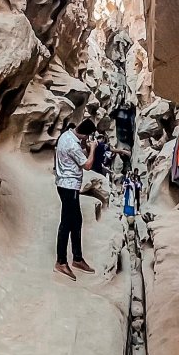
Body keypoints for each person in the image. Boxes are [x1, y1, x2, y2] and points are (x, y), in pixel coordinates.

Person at [54, 118, 97, 279]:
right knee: (66, 223)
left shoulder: (66, 135)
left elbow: (79, 156)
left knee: (76, 220)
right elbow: (88, 165)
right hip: (69, 186)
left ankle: (77, 258)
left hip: (65, 184)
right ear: (85, 134)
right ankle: (61, 262)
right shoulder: (72, 145)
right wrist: (93, 148)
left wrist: (85, 144)